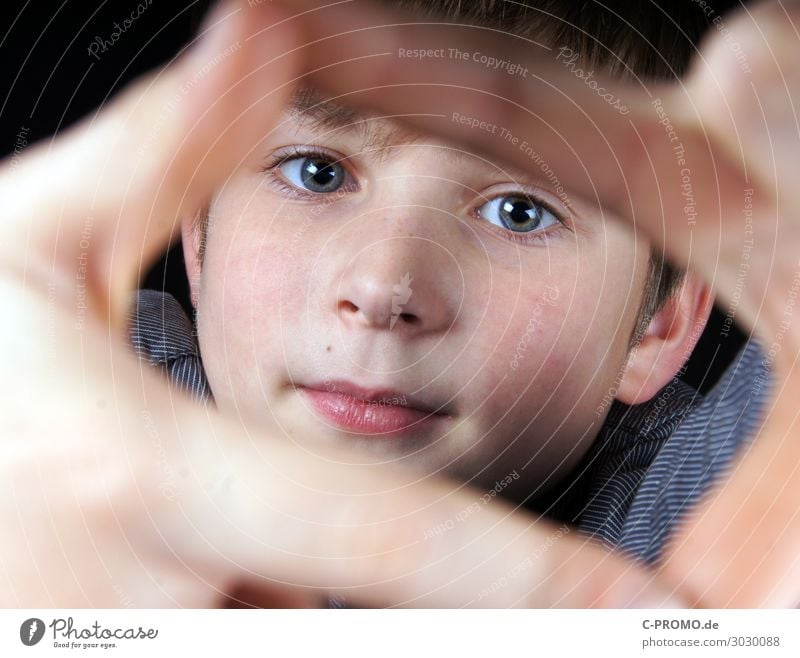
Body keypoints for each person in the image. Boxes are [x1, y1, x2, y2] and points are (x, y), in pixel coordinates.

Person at [0, 0, 797, 608]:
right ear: (199, 240)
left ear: (658, 327)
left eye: (520, 212)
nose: (385, 289)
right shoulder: (71, 397)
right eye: (317, 172)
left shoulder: (715, 504)